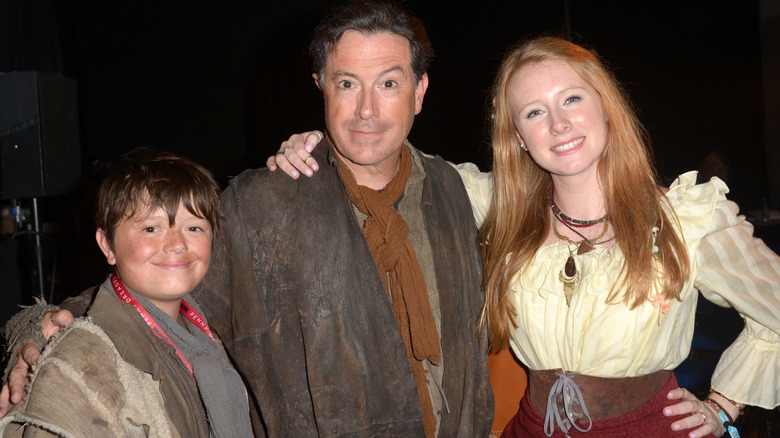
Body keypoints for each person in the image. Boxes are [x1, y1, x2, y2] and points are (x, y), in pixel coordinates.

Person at [1, 2, 494, 437]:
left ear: (420, 90)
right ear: (321, 85)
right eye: (348, 83)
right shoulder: (266, 202)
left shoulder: (455, 192)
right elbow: (156, 281)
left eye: (389, 83)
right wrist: (43, 328)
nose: (367, 109)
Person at [269, 36, 780, 437]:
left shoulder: (686, 218)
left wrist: (723, 407)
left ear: (606, 106)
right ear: (518, 135)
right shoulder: (498, 206)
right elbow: (388, 158)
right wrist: (316, 143)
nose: (559, 125)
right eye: (535, 112)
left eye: (572, 99)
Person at [0, 148, 253, 437]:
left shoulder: (206, 335)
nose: (177, 244)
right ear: (107, 245)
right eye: (150, 229)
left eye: (194, 227)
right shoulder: (81, 365)